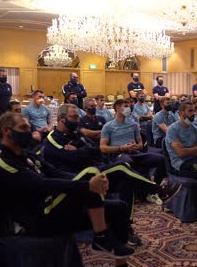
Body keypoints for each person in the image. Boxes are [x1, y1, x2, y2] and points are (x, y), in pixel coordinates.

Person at [0, 112, 135, 263]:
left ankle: (119, 260)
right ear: (6, 131)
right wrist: (86, 185)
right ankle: (101, 237)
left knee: (119, 208)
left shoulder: (28, 155)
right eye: (23, 127)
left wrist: (89, 183)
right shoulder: (2, 160)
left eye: (29, 128)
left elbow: (56, 173)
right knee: (90, 173)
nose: (28, 132)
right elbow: (40, 185)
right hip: (38, 218)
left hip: (54, 208)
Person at [42, 103, 181, 246]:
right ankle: (158, 190)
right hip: (78, 178)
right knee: (122, 167)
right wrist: (82, 152)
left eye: (78, 117)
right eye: (74, 117)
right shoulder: (52, 139)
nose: (77, 120)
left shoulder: (77, 134)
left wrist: (78, 151)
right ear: (62, 118)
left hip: (96, 169)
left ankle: (126, 229)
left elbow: (95, 149)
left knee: (126, 181)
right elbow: (73, 158)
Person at [100, 99, 168, 188]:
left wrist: (136, 146)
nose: (129, 109)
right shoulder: (108, 126)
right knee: (128, 162)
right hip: (119, 154)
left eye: (129, 106)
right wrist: (121, 148)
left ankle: (156, 184)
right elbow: (103, 147)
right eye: (126, 106)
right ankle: (152, 189)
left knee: (162, 159)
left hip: (135, 152)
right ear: (117, 108)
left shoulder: (133, 125)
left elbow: (140, 144)